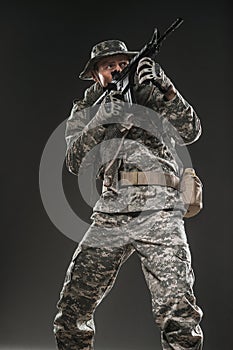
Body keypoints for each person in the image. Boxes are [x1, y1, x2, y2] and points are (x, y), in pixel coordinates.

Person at [53, 39, 203, 349]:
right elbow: (75, 161)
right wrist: (102, 117)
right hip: (111, 211)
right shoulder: (87, 108)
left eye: (123, 63)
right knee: (73, 306)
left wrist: (168, 89)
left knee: (178, 309)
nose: (119, 69)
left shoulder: (150, 92)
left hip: (159, 207)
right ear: (96, 75)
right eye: (110, 66)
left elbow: (190, 131)